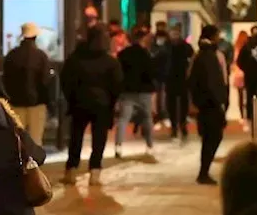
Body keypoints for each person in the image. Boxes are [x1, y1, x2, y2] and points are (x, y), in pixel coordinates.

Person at [59, 24, 122, 186]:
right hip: (102, 104)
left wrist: (71, 98)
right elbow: (117, 85)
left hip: (79, 102)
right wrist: (112, 103)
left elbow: (65, 81)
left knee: (76, 136)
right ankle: (95, 172)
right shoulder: (110, 61)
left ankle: (71, 170)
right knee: (99, 138)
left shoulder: (76, 59)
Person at [0, 22, 52, 144]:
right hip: (37, 104)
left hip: (16, 103)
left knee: (17, 140)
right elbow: (45, 81)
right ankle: (33, 162)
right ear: (35, 37)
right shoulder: (41, 56)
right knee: (35, 140)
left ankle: (19, 162)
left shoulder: (11, 55)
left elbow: (5, 79)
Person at [189, 25, 227, 186]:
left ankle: (204, 172)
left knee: (210, 137)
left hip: (205, 103)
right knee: (213, 136)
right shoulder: (208, 56)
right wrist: (219, 100)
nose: (219, 38)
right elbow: (212, 82)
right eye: (218, 35)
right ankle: (203, 173)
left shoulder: (202, 54)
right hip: (210, 103)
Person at [115, 25, 156, 159]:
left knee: (123, 119)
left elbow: (118, 73)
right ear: (143, 38)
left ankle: (118, 146)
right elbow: (151, 73)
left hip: (127, 91)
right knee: (147, 118)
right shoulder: (146, 54)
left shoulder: (123, 54)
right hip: (144, 91)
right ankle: (149, 146)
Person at [164, 25, 194, 144]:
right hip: (171, 78)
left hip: (182, 78)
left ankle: (181, 125)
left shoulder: (185, 47)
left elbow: (192, 59)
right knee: (172, 104)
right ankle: (174, 127)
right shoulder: (167, 46)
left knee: (183, 104)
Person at [231, 31, 249, 127]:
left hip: (238, 74)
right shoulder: (248, 48)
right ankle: (248, 115)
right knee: (249, 95)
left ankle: (242, 116)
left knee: (240, 97)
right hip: (247, 74)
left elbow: (234, 62)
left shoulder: (236, 49)